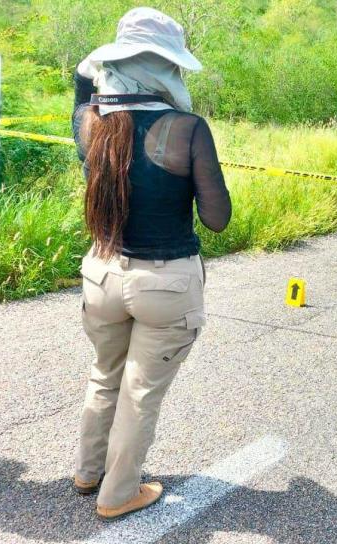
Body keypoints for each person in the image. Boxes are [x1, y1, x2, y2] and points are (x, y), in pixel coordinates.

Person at [70, 7, 231, 520]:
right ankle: (118, 494)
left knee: (103, 376)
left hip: (102, 273)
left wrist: (87, 73)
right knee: (140, 395)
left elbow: (81, 92)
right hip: (164, 283)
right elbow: (217, 217)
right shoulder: (187, 128)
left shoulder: (92, 123)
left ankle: (88, 470)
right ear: (167, 68)